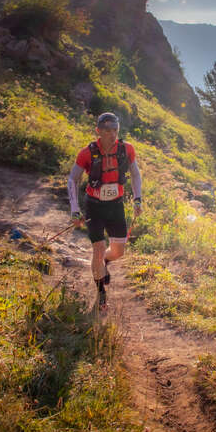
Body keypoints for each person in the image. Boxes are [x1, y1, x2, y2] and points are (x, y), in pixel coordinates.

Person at [67, 112, 142, 310]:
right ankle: (101, 293)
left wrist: (137, 199)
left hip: (116, 205)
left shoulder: (126, 150)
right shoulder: (87, 153)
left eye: (115, 130)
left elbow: (135, 175)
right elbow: (72, 179)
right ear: (98, 131)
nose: (112, 134)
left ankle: (105, 263)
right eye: (107, 130)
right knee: (98, 248)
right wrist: (75, 210)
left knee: (118, 252)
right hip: (94, 206)